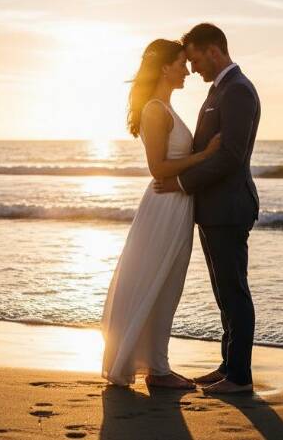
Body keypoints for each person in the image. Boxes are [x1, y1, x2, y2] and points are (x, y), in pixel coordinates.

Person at [101, 38, 221, 388]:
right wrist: (205, 155)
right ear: (166, 67)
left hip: (176, 205)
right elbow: (158, 167)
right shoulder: (155, 109)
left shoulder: (164, 108)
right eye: (182, 63)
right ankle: (158, 370)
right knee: (158, 282)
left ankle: (157, 365)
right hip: (164, 206)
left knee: (168, 284)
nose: (187, 70)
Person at [155, 23, 261, 394]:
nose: (194, 68)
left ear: (214, 50)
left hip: (229, 207)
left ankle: (240, 377)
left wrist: (181, 183)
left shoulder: (238, 91)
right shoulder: (220, 90)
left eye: (196, 59)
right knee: (223, 293)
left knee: (235, 291)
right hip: (214, 208)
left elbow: (230, 155)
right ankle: (227, 365)